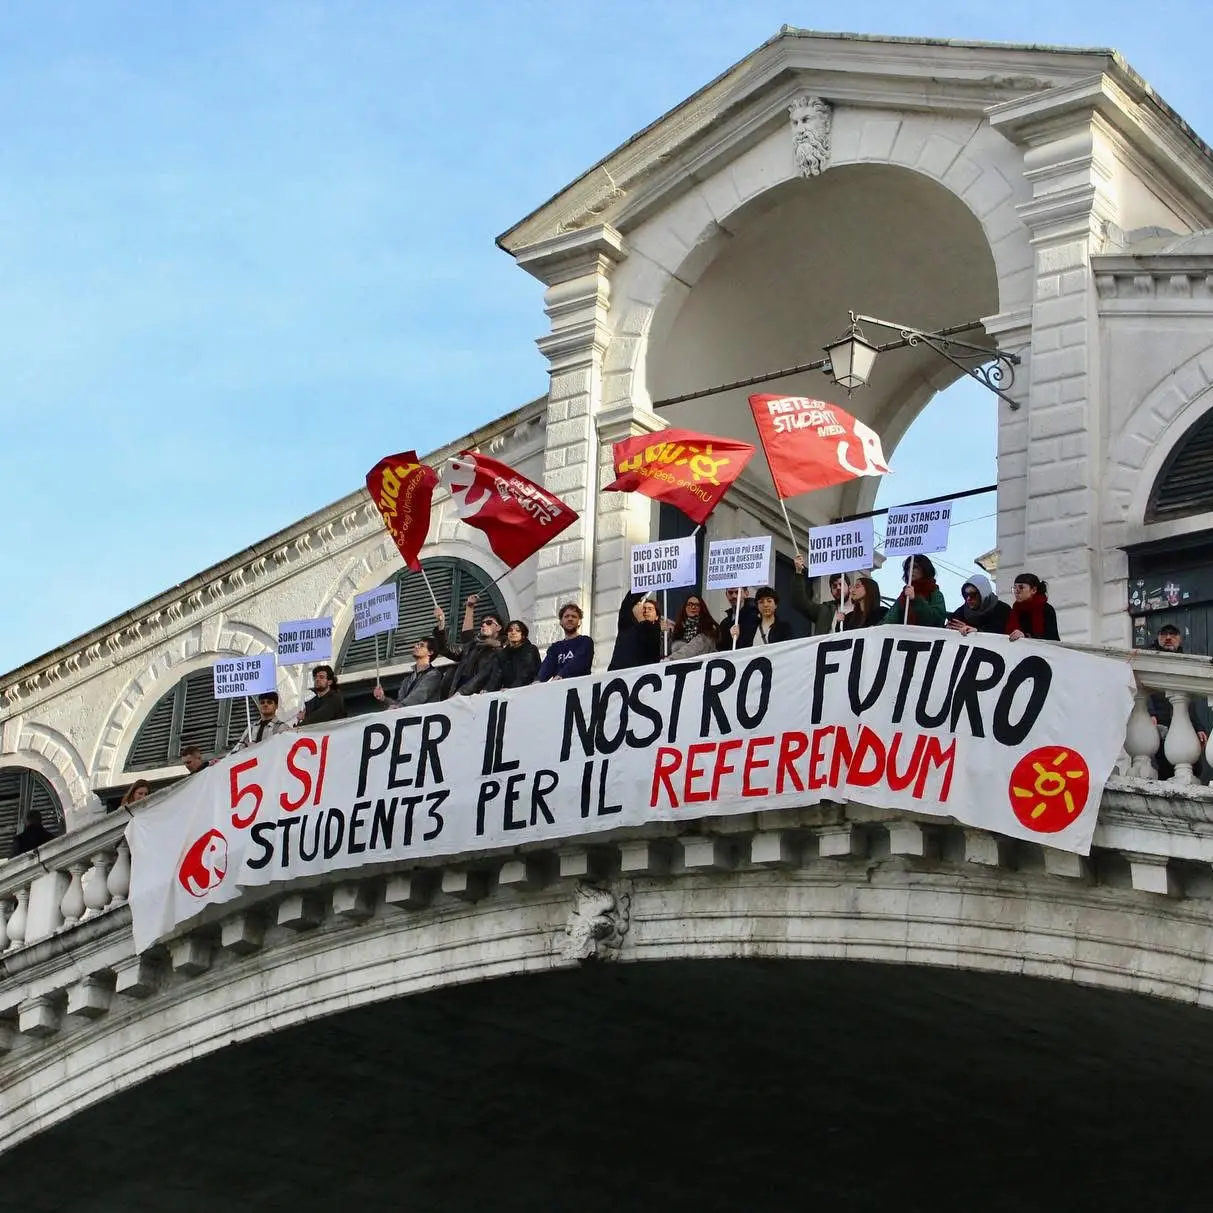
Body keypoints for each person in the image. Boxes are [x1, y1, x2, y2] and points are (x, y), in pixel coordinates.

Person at [1148, 624, 1210, 781]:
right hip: (1159, 723)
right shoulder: (1149, 658)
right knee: (1163, 768)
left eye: (1173, 634)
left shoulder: (1183, 662)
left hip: (1181, 722)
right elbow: (1140, 687)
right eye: (1164, 634)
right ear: (1158, 637)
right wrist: (1150, 712)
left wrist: (1198, 727)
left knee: (1195, 766)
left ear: (1180, 639)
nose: (1168, 637)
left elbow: (1189, 702)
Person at [433, 594, 503, 696]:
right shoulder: (471, 647)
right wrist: (441, 624)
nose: (483, 625)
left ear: (498, 627)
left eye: (489, 622)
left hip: (483, 697)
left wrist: (499, 645)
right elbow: (445, 648)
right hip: (458, 697)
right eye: (482, 623)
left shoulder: (503, 649)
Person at [373, 638, 447, 709]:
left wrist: (399, 707)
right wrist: (383, 698)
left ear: (430, 652)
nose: (416, 646)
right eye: (417, 644)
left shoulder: (434, 675)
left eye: (421, 645)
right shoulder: (407, 680)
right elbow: (398, 703)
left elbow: (419, 696)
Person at [537, 603, 594, 681]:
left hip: (580, 689)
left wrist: (562, 675)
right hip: (559, 689)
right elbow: (546, 668)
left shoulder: (585, 642)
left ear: (579, 622)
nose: (570, 619)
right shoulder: (555, 648)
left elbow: (579, 661)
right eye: (566, 616)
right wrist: (538, 681)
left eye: (574, 616)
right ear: (561, 622)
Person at [885, 556, 947, 628]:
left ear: (925, 569)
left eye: (915, 567)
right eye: (908, 568)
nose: (910, 571)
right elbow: (891, 618)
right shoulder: (905, 593)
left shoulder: (934, 593)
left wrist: (916, 600)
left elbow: (938, 620)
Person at [608, 592, 664, 670]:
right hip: (617, 673)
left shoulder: (657, 632)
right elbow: (627, 602)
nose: (646, 611)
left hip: (641, 676)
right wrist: (642, 584)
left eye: (650, 609)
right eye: (643, 608)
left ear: (657, 616)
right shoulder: (627, 625)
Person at [488, 620, 542, 691]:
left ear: (523, 635)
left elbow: (526, 672)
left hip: (528, 689)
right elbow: (497, 675)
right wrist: (488, 690)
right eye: (510, 630)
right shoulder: (503, 653)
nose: (513, 632)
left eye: (518, 630)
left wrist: (512, 688)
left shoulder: (530, 649)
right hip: (508, 691)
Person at [791, 558, 840, 635]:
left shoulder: (859, 610)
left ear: (850, 588)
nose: (838, 588)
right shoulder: (825, 610)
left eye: (841, 584)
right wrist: (799, 572)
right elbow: (800, 601)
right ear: (831, 591)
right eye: (834, 586)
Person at [1006, 573, 1060, 641]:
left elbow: (1052, 638)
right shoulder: (1015, 610)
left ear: (1033, 590)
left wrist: (1025, 637)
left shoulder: (1046, 609)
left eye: (1021, 587)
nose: (1016, 592)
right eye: (1014, 588)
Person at [668, 595, 719, 660]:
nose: (693, 607)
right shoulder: (679, 628)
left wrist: (670, 659)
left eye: (697, 605)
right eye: (690, 604)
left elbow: (693, 649)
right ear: (685, 608)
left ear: (701, 608)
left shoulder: (708, 628)